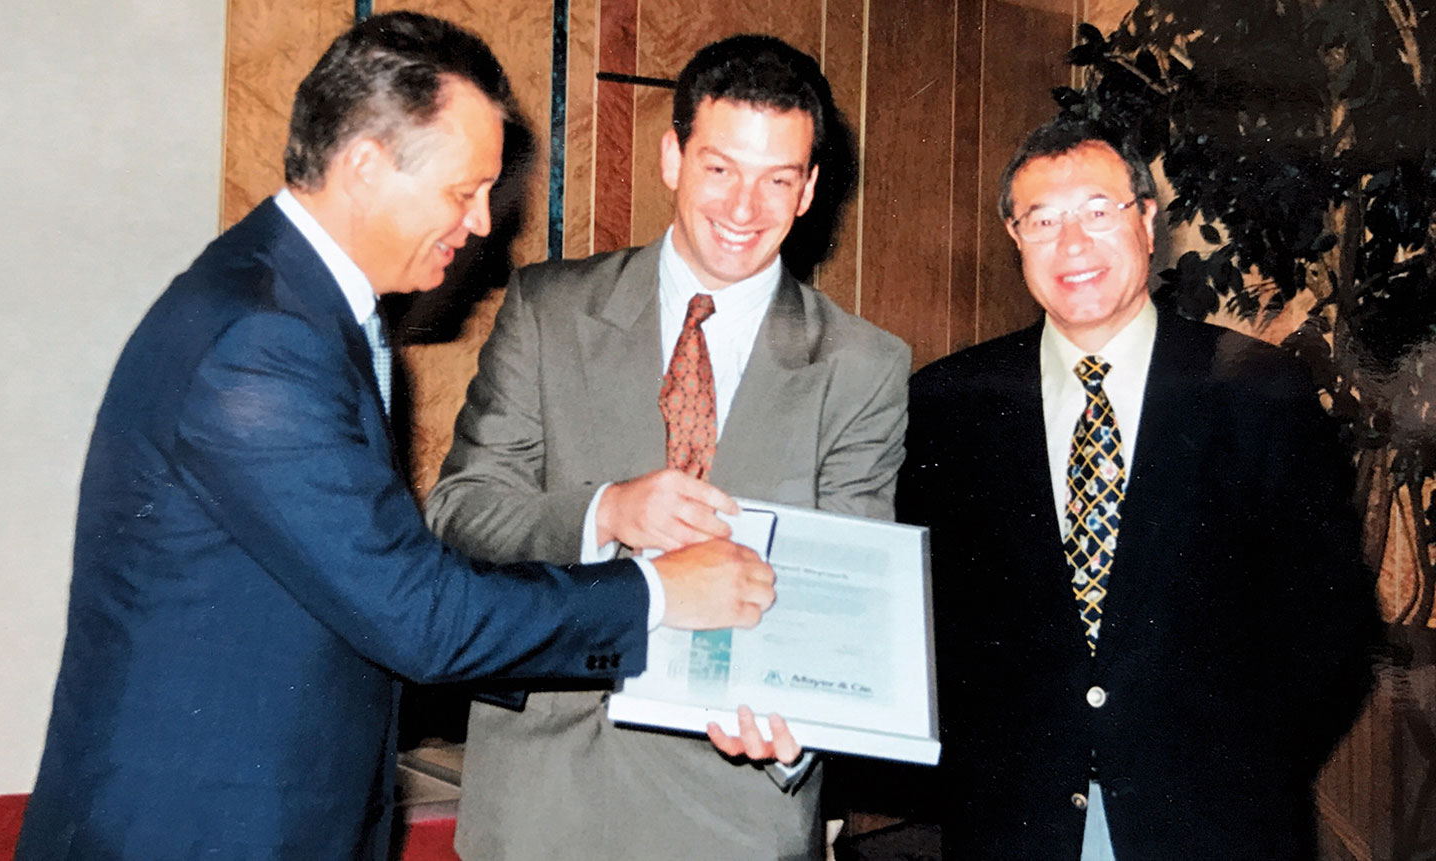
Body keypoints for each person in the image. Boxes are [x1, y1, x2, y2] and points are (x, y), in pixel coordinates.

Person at [14, 13, 777, 860]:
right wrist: (661, 593)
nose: (484, 222)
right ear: (366, 165)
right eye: (463, 191)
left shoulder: (298, 306)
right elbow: (421, 616)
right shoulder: (259, 341)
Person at [424, 34, 911, 861]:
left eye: (777, 179)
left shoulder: (863, 368)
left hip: (737, 817)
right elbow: (459, 513)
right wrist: (606, 511)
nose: (744, 208)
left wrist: (795, 743)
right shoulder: (548, 311)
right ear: (672, 157)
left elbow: (846, 610)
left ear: (809, 191)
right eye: (720, 168)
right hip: (545, 809)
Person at [898, 117, 1379, 858]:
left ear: (1148, 221)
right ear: (1013, 235)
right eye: (1044, 219)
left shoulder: (1260, 392)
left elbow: (1331, 625)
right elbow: (925, 624)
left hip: (1215, 826)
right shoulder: (948, 402)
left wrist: (1239, 772)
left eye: (1099, 211)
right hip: (1016, 825)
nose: (1073, 243)